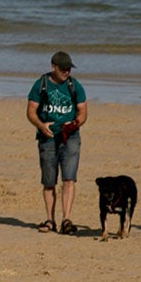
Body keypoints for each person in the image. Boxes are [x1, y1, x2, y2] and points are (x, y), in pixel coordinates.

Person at [25, 50, 88, 234]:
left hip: (70, 137)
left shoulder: (74, 86)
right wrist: (41, 125)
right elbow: (30, 111)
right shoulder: (41, 84)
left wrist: (74, 123)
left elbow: (83, 111)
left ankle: (66, 219)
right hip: (48, 137)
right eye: (63, 69)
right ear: (53, 67)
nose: (66, 72)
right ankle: (50, 220)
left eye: (69, 69)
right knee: (48, 181)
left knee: (69, 179)